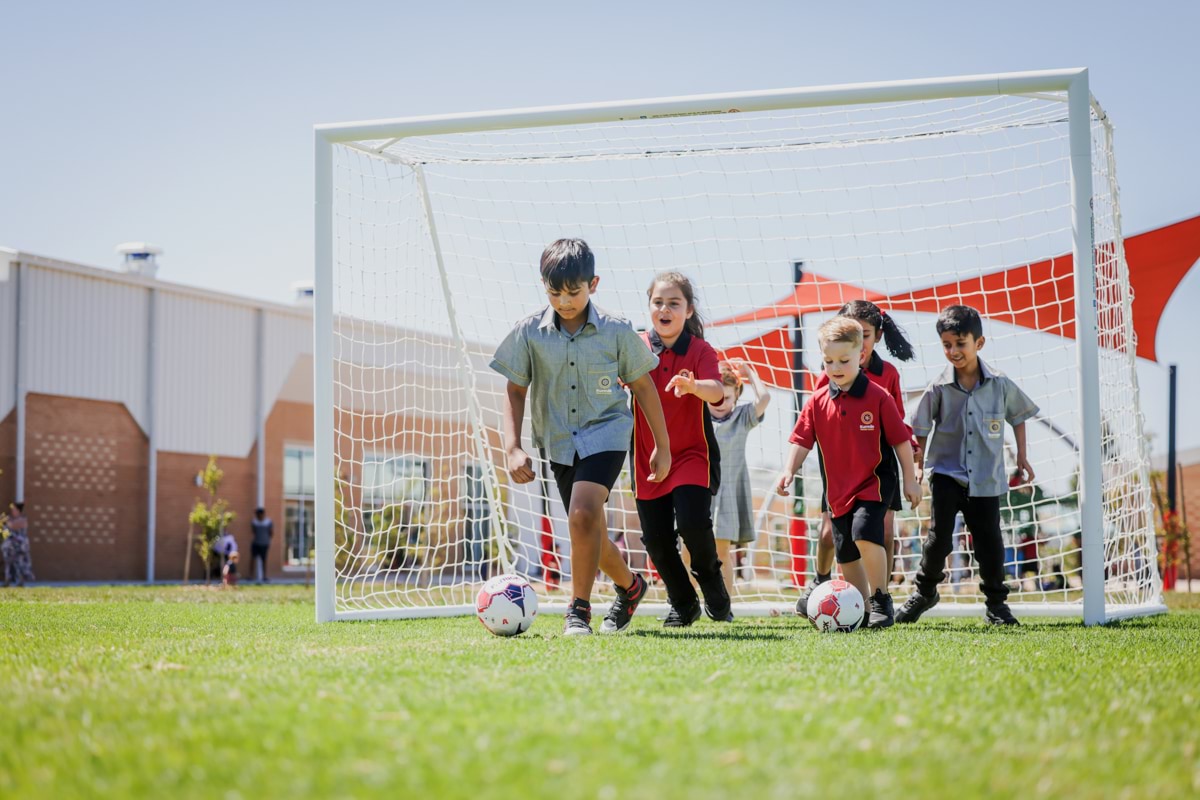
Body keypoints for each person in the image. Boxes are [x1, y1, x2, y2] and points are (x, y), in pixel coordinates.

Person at [490, 238, 670, 636]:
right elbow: (515, 389)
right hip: (558, 441)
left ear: (594, 283)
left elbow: (643, 388)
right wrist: (512, 447)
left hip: (607, 433)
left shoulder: (617, 331)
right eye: (555, 292)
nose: (565, 301)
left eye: (574, 292)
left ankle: (579, 611)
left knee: (583, 514)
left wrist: (662, 444)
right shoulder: (528, 333)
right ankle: (631, 586)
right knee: (586, 527)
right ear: (544, 286)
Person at [897, 305, 1038, 626]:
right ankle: (924, 592)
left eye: (960, 343)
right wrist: (918, 467)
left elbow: (1018, 417)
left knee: (989, 542)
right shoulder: (938, 387)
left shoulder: (1001, 384)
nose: (953, 351)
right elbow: (919, 428)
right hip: (947, 474)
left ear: (979, 343)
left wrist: (1022, 456)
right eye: (947, 345)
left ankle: (996, 605)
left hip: (987, 479)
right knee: (939, 539)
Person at [775, 317, 921, 628]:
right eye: (828, 360)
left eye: (844, 360)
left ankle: (882, 598)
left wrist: (910, 479)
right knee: (846, 553)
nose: (836, 367)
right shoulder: (816, 401)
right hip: (838, 492)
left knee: (865, 534)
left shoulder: (878, 396)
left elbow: (901, 442)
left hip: (874, 483)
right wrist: (788, 470)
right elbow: (801, 440)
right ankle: (862, 606)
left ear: (861, 356)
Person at [632, 272, 732, 627]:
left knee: (692, 524)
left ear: (688, 311)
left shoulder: (700, 350)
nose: (665, 309)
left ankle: (713, 585)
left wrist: (693, 387)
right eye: (658, 302)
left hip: (691, 455)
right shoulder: (636, 346)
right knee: (656, 541)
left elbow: (718, 392)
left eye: (674, 303)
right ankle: (684, 602)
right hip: (648, 457)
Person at [708, 359, 770, 597]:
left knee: (722, 551)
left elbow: (764, 399)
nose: (721, 403)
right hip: (700, 492)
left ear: (736, 396)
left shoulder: (742, 417)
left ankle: (724, 604)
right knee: (690, 550)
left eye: (727, 397)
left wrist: (749, 372)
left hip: (727, 495)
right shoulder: (699, 414)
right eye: (716, 397)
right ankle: (685, 603)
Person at [2, 502, 35, 587]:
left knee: (20, 563)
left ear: (19, 510)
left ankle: (20, 581)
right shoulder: (10, 519)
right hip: (10, 546)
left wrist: (3, 522)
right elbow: (5, 533)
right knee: (8, 563)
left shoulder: (22, 519)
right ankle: (7, 581)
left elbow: (12, 525)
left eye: (14, 509)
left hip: (20, 546)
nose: (12, 511)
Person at [250, 507, 273, 584]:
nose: (257, 516)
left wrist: (267, 540)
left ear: (262, 514)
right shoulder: (254, 522)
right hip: (256, 543)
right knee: (252, 559)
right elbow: (253, 531)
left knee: (264, 560)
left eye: (259, 514)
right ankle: (251, 576)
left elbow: (271, 533)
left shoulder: (268, 522)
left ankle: (264, 576)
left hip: (264, 544)